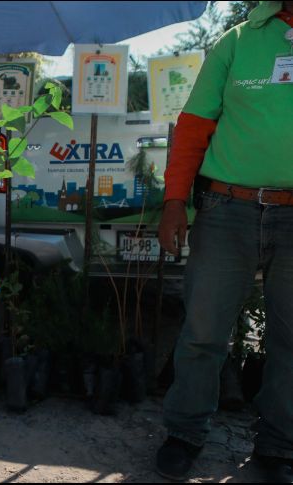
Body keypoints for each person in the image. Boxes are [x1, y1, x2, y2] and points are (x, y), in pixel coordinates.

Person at [156, 2, 293, 482]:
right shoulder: (236, 41)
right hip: (226, 210)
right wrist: (175, 202)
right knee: (203, 332)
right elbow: (193, 127)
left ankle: (279, 447)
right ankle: (185, 432)